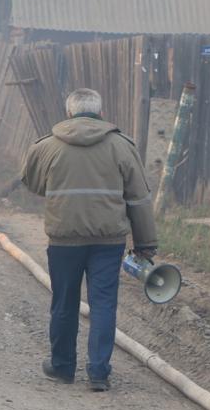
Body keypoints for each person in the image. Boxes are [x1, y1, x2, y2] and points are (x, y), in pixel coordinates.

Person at [21, 88, 157, 391]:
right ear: (100, 112)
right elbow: (139, 199)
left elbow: (31, 182)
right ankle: (98, 373)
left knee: (64, 303)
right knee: (104, 305)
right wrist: (145, 245)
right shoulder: (122, 146)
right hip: (108, 242)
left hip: (63, 240)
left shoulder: (48, 146)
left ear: (69, 113)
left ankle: (62, 366)